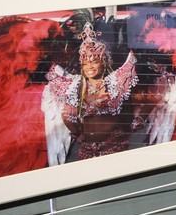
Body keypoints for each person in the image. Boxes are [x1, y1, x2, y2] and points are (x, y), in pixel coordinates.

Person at [41, 24, 139, 162]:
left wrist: (131, 123)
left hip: (113, 147)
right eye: (85, 63)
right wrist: (76, 133)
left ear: (104, 62)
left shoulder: (114, 83)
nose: (89, 67)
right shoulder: (75, 86)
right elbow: (66, 114)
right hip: (86, 150)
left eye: (94, 62)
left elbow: (132, 104)